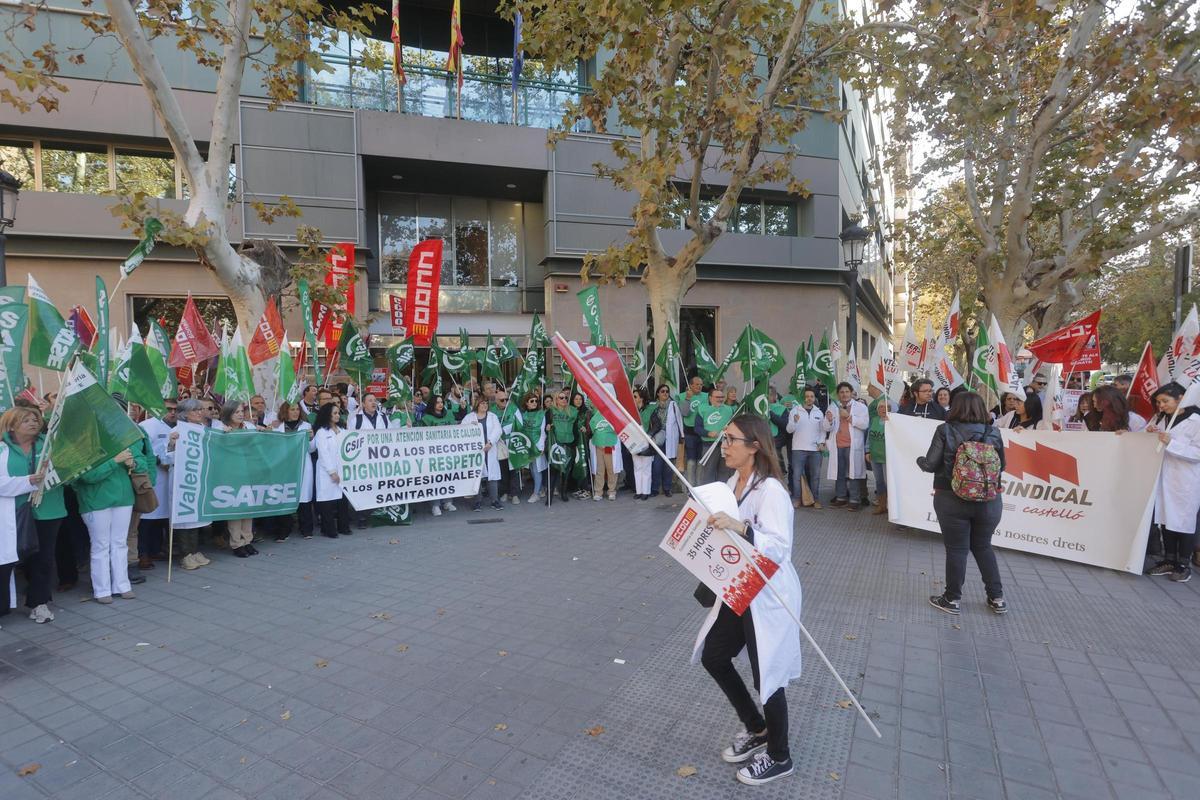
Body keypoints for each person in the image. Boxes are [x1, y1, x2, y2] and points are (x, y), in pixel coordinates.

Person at [696, 414, 802, 786]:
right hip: (739, 585)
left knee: (767, 674)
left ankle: (780, 756)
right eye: (723, 439)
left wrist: (741, 527)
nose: (724, 446)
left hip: (768, 593)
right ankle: (758, 729)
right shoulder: (731, 483)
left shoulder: (771, 490)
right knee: (714, 655)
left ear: (754, 446)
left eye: (731, 440)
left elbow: (780, 547)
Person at [918, 391, 1008, 615]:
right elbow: (1003, 466)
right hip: (989, 500)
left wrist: (919, 460)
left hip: (951, 498)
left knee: (957, 549)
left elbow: (930, 464)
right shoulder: (993, 432)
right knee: (983, 546)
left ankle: (952, 599)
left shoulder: (945, 430)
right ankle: (997, 598)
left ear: (955, 407)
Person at [71, 415, 154, 604]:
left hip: (123, 499)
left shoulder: (122, 440)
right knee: (100, 545)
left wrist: (133, 463)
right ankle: (101, 589)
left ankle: (122, 585)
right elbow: (87, 476)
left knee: (120, 543)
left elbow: (142, 462)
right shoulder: (83, 444)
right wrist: (114, 461)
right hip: (95, 501)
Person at [1, 407, 60, 623]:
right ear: (12, 425)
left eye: (35, 419)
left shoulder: (51, 444)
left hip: (48, 508)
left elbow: (69, 470)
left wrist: (55, 467)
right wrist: (28, 481)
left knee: (42, 558)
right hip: (11, 512)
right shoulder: (2, 448)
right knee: (10, 559)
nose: (33, 423)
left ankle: (39, 603)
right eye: (26, 420)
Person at [1144, 383, 1200, 582]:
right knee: (1165, 519)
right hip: (1163, 478)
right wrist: (1150, 434)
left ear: (1181, 398)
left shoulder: (1196, 421)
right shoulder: (1162, 418)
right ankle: (1168, 560)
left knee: (1183, 522)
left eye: (1165, 401)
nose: (1161, 405)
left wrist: (1171, 443)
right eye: (1158, 402)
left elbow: (1197, 453)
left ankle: (1183, 565)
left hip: (1185, 480)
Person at [163, 400, 212, 569]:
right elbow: (166, 458)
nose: (199, 412)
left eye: (200, 409)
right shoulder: (176, 431)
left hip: (198, 478)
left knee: (195, 515)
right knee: (184, 515)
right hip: (182, 479)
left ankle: (194, 550)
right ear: (184, 414)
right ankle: (185, 554)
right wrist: (171, 444)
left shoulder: (204, 430)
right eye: (194, 410)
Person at [138, 398, 177, 569]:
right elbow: (142, 450)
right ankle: (143, 554)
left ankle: (156, 549)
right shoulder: (148, 425)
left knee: (163, 517)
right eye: (169, 409)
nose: (172, 413)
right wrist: (159, 461)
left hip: (170, 478)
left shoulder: (180, 427)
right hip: (153, 478)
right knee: (147, 517)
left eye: (175, 409)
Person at [216, 402, 258, 557]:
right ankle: (236, 543)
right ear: (228, 414)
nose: (240, 414)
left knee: (248, 507)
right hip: (231, 473)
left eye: (241, 411)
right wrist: (223, 437)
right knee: (236, 508)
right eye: (236, 412)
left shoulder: (248, 427)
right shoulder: (221, 429)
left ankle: (247, 540)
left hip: (247, 471)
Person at [823, 382, 868, 510]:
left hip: (853, 445)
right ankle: (841, 497)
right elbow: (826, 427)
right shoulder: (833, 406)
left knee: (853, 474)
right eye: (842, 392)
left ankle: (854, 499)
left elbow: (865, 424)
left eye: (847, 392)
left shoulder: (860, 407)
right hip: (837, 445)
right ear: (838, 394)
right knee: (839, 473)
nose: (844, 394)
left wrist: (848, 416)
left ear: (851, 393)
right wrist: (829, 420)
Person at [312, 403, 350, 538]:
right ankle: (328, 529)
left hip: (342, 470)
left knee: (342, 500)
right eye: (334, 413)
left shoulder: (342, 430)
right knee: (327, 501)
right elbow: (323, 454)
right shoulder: (321, 432)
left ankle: (343, 527)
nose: (337, 415)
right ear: (327, 414)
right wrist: (332, 472)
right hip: (327, 472)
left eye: (338, 413)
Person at [786, 388, 824, 509]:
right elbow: (789, 430)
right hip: (798, 448)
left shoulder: (819, 412)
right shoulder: (795, 411)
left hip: (815, 449)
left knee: (815, 476)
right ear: (803, 398)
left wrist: (821, 442)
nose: (809, 398)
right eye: (807, 396)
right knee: (797, 476)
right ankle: (797, 499)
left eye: (811, 396)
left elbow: (822, 431)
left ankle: (815, 499)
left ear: (814, 398)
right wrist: (794, 421)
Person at [420, 396, 459, 516]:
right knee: (435, 479)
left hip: (448, 452)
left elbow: (457, 429)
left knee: (448, 477)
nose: (440, 404)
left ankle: (448, 502)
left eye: (442, 402)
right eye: (437, 402)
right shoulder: (426, 418)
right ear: (432, 404)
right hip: (433, 453)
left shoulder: (449, 415)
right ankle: (435, 505)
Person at [463, 398, 504, 511]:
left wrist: (490, 443)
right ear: (477, 404)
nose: (485, 405)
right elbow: (462, 430)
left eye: (486, 403)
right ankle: (477, 502)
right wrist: (470, 426)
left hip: (490, 449)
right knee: (477, 476)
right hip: (476, 451)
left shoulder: (492, 416)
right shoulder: (469, 417)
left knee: (492, 475)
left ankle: (494, 500)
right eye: (482, 403)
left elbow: (498, 430)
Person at [865, 385, 894, 515]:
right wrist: (867, 451)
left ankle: (891, 506)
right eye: (881, 407)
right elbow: (868, 437)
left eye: (886, 407)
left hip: (887, 457)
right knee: (879, 482)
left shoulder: (893, 421)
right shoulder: (874, 420)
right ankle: (881, 505)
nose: (883, 409)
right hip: (875, 456)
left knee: (889, 482)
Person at [648, 384, 681, 497]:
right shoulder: (652, 406)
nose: (665, 393)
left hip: (670, 439)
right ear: (658, 393)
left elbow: (679, 421)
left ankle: (667, 488)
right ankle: (655, 489)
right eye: (662, 391)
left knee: (668, 465)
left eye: (667, 391)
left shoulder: (673, 405)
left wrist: (681, 436)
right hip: (657, 439)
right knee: (656, 465)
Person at [516, 393, 546, 503]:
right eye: (531, 401)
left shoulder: (541, 414)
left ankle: (536, 493)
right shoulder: (523, 414)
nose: (534, 403)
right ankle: (541, 489)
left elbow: (542, 431)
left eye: (536, 401)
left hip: (537, 444)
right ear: (526, 403)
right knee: (532, 469)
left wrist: (541, 446)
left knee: (537, 469)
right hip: (527, 444)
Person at [548, 389, 577, 502]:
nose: (564, 399)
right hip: (556, 444)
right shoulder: (550, 411)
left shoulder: (572, 411)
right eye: (561, 397)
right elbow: (546, 425)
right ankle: (550, 495)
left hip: (569, 443)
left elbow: (576, 426)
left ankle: (563, 493)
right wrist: (547, 428)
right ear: (556, 400)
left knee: (566, 470)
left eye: (565, 397)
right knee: (554, 470)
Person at [588, 401, 620, 501]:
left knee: (611, 469)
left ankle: (611, 491)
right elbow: (592, 428)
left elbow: (616, 428)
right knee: (599, 469)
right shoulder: (595, 413)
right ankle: (598, 492)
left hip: (609, 446)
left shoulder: (612, 413)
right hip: (598, 445)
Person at [696, 387, 729, 484]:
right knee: (708, 474)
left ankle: (722, 492)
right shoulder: (702, 409)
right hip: (709, 445)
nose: (720, 399)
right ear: (710, 398)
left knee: (724, 473)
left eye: (722, 397)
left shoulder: (729, 409)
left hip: (726, 445)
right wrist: (708, 433)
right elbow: (697, 428)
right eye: (717, 397)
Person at [678, 376, 706, 486]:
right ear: (691, 385)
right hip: (690, 432)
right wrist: (688, 399)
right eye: (697, 384)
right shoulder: (682, 396)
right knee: (691, 461)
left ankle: (699, 486)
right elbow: (685, 413)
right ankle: (690, 486)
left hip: (703, 432)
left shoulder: (706, 396)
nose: (699, 386)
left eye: (701, 384)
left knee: (701, 461)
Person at [630, 389, 654, 499]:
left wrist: (649, 435)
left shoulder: (650, 410)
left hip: (646, 441)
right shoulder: (630, 411)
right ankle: (638, 491)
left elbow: (657, 424)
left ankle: (646, 492)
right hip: (634, 441)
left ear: (641, 398)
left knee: (646, 468)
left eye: (635, 396)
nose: (633, 398)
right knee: (637, 467)